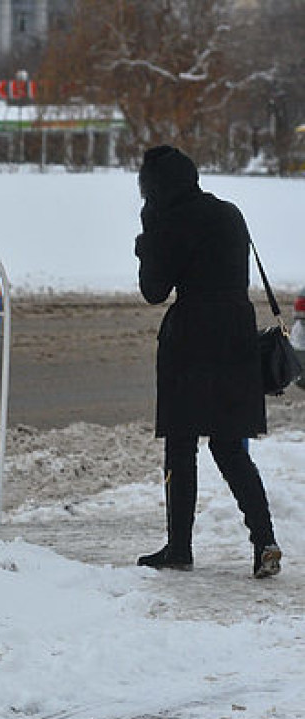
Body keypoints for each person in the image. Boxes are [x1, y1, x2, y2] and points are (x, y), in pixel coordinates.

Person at [133, 145, 281, 578]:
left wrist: (145, 241)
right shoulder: (229, 212)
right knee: (230, 445)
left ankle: (179, 546)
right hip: (236, 335)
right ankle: (265, 540)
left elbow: (154, 290)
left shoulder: (168, 219)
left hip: (192, 338)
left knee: (181, 445)